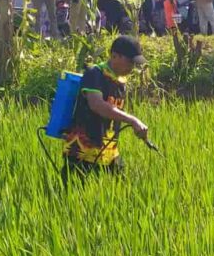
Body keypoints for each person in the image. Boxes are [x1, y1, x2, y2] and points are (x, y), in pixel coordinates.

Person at [62, 36, 149, 184]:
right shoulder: (94, 73)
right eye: (130, 62)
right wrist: (132, 120)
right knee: (76, 199)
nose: (132, 67)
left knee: (121, 193)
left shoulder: (121, 82)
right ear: (115, 55)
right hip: (82, 151)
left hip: (109, 151)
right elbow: (97, 105)